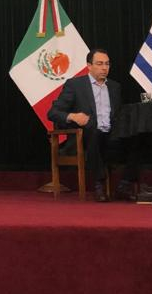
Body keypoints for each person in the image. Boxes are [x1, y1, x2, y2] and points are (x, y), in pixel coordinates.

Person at [48, 48, 140, 202]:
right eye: (99, 64)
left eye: (107, 64)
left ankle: (124, 184)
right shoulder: (75, 85)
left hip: (111, 135)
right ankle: (99, 184)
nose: (104, 68)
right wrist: (73, 116)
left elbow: (119, 115)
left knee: (137, 136)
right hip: (85, 137)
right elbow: (53, 113)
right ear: (89, 66)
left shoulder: (115, 87)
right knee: (94, 130)